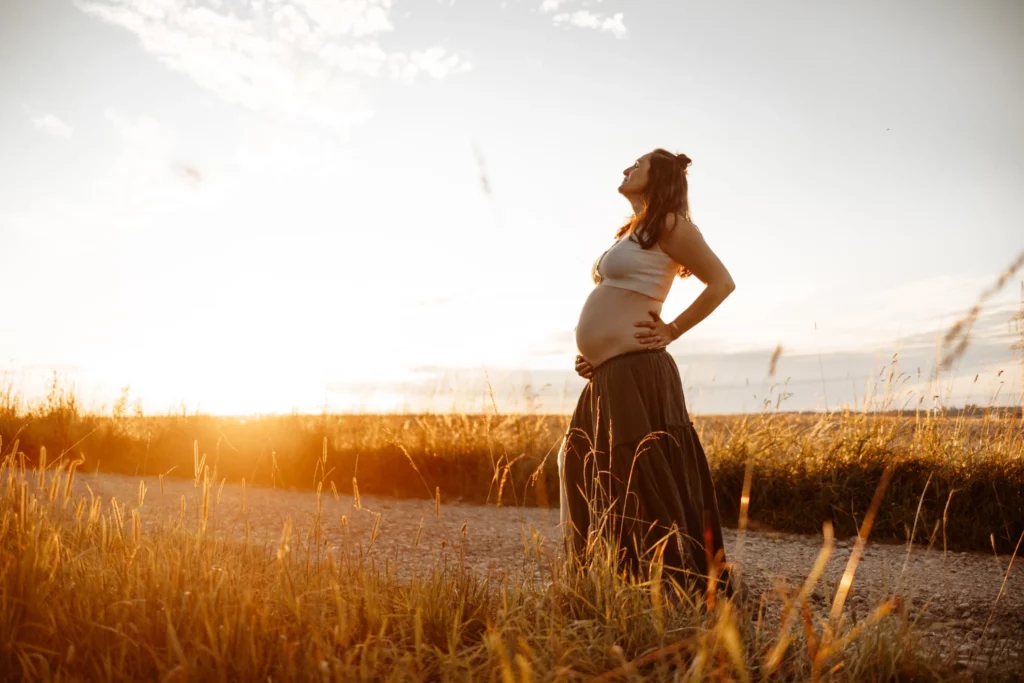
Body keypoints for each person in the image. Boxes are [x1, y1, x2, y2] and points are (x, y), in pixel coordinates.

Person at [558, 148, 735, 593]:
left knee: (639, 476)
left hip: (640, 372)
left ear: (659, 177)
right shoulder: (631, 232)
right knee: (583, 465)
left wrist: (672, 329)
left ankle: (674, 587)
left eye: (636, 165)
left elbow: (722, 283)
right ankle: (609, 581)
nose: (625, 168)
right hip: (610, 372)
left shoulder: (672, 224)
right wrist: (595, 355)